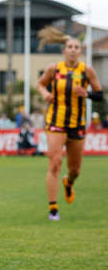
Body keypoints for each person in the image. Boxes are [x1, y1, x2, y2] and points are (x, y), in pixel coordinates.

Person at [36, 25, 103, 221]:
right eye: (70, 47)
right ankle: (53, 209)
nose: (73, 50)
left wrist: (88, 93)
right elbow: (40, 84)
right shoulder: (54, 69)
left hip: (77, 123)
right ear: (64, 51)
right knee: (55, 162)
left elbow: (100, 96)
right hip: (55, 121)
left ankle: (69, 183)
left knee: (75, 170)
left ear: (80, 51)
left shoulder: (87, 71)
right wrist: (46, 93)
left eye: (76, 47)